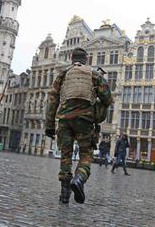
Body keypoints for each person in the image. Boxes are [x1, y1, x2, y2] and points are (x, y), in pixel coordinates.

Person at [45, 47, 113, 204]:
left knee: (66, 156)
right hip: (85, 121)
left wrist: (49, 125)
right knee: (85, 155)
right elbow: (108, 99)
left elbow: (52, 101)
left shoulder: (63, 74)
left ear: (71, 58)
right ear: (86, 60)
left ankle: (64, 194)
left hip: (64, 121)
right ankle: (79, 179)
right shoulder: (94, 74)